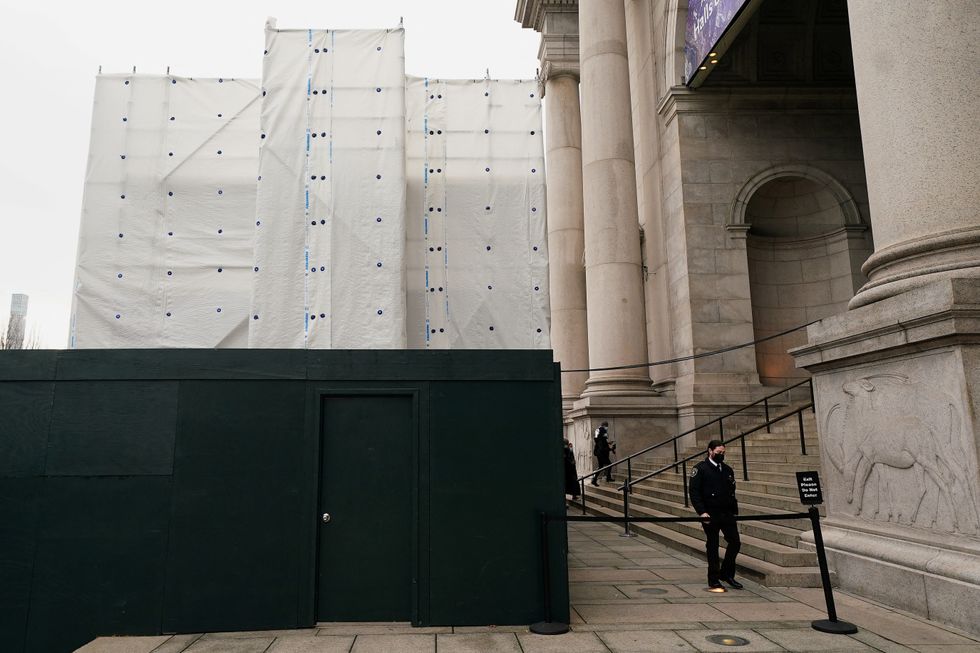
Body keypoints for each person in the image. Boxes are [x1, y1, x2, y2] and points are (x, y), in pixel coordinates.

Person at [689, 439, 743, 590]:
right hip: (710, 514)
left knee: (735, 542)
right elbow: (694, 493)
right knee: (712, 546)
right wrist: (702, 512)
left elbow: (732, 490)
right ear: (710, 451)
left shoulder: (727, 470)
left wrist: (733, 511)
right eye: (718, 452)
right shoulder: (700, 469)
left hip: (727, 513)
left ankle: (726, 573)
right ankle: (713, 579)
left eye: (723, 453)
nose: (721, 455)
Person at [591, 421, 614, 486]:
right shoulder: (603, 430)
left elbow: (597, 440)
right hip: (602, 452)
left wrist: (608, 443)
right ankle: (608, 478)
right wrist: (609, 448)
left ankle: (594, 479)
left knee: (601, 466)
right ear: (605, 425)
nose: (607, 428)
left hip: (598, 451)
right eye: (607, 426)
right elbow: (602, 442)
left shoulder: (597, 430)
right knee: (609, 464)